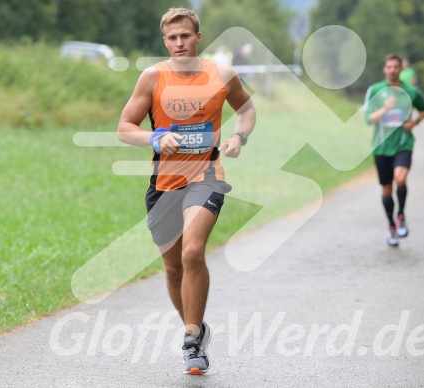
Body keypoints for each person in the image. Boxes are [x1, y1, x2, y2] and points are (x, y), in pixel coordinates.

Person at [117, 7, 256, 374]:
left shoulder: (221, 74)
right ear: (165, 41)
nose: (179, 42)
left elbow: (246, 107)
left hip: (206, 175)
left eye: (185, 36)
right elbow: (124, 127)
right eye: (172, 37)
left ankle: (191, 342)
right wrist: (154, 137)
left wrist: (239, 136)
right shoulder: (152, 77)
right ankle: (195, 326)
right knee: (173, 265)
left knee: (193, 252)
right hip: (164, 182)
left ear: (198, 37)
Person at [364, 53, 424, 247]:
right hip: (382, 146)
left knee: (400, 178)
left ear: (401, 69)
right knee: (386, 188)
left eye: (395, 67)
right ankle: (391, 226)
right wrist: (384, 109)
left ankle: (401, 215)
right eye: (389, 67)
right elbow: (368, 119)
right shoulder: (375, 90)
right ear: (384, 69)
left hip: (403, 143)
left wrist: (415, 122)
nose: (392, 70)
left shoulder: (412, 91)